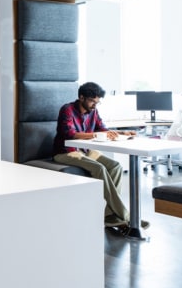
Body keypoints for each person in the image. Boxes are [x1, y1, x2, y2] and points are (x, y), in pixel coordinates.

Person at [52, 82, 146, 230]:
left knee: (115, 167)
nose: (95, 105)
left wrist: (122, 133)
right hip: (65, 152)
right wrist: (96, 135)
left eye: (97, 102)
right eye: (92, 101)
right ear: (81, 97)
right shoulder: (67, 109)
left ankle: (109, 215)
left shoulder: (93, 112)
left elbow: (103, 129)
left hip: (85, 151)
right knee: (99, 168)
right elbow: (70, 134)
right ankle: (126, 216)